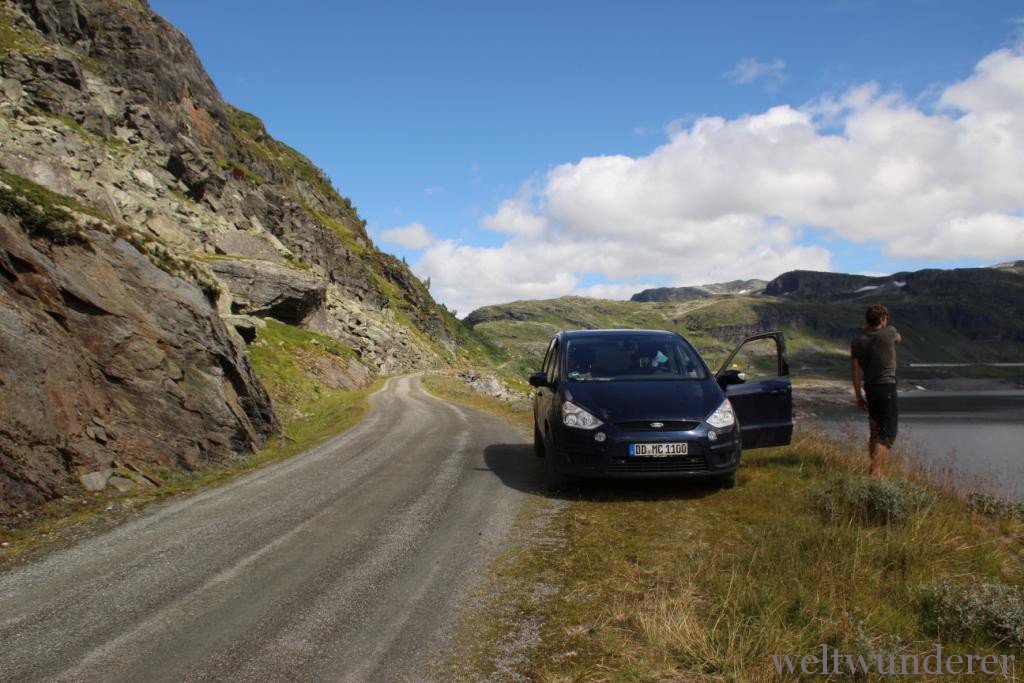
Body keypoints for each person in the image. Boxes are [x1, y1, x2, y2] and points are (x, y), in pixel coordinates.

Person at [850, 304, 902, 477]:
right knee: (886, 435)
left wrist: (858, 396)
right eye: (885, 318)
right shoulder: (889, 332)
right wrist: (884, 327)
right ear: (882, 319)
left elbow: (855, 372)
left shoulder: (857, 342)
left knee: (875, 431)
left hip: (870, 389)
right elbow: (899, 338)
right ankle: (876, 473)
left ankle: (873, 470)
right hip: (886, 387)